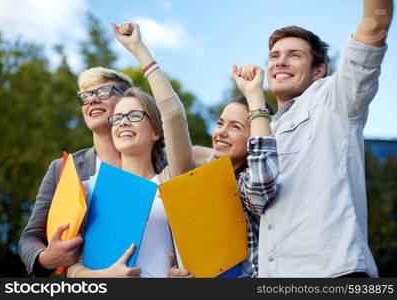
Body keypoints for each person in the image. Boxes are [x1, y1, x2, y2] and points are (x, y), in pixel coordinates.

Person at [257, 0, 393, 277]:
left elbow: (375, 24)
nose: (280, 61)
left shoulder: (334, 99)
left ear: (318, 70)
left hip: (335, 273)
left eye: (294, 55)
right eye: (274, 55)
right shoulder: (262, 129)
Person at [67, 22, 195, 278]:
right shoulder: (88, 188)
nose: (123, 121)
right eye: (118, 118)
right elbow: (71, 268)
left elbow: (172, 113)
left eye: (135, 115)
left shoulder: (172, 180)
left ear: (156, 131)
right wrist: (105, 277)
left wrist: (138, 49)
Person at [18, 67, 133, 277]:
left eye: (104, 91)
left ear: (130, 103)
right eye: (86, 96)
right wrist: (45, 258)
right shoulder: (63, 169)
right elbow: (30, 237)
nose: (92, 100)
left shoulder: (160, 163)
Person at [169, 64, 279, 278]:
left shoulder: (249, 182)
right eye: (220, 123)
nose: (221, 133)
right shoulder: (199, 183)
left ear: (254, 137)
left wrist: (254, 95)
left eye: (235, 127)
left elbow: (259, 187)